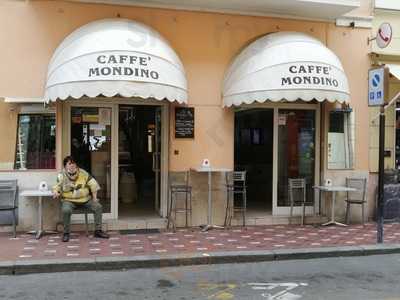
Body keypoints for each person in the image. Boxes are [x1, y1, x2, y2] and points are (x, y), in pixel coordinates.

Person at [53, 156, 109, 242]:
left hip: (85, 200)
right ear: (65, 166)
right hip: (69, 200)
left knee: (98, 207)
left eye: (73, 163)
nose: (72, 165)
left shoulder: (83, 173)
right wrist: (56, 192)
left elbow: (93, 184)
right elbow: (57, 186)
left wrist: (94, 198)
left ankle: (98, 231)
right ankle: (66, 233)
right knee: (66, 210)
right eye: (69, 163)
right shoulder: (61, 175)